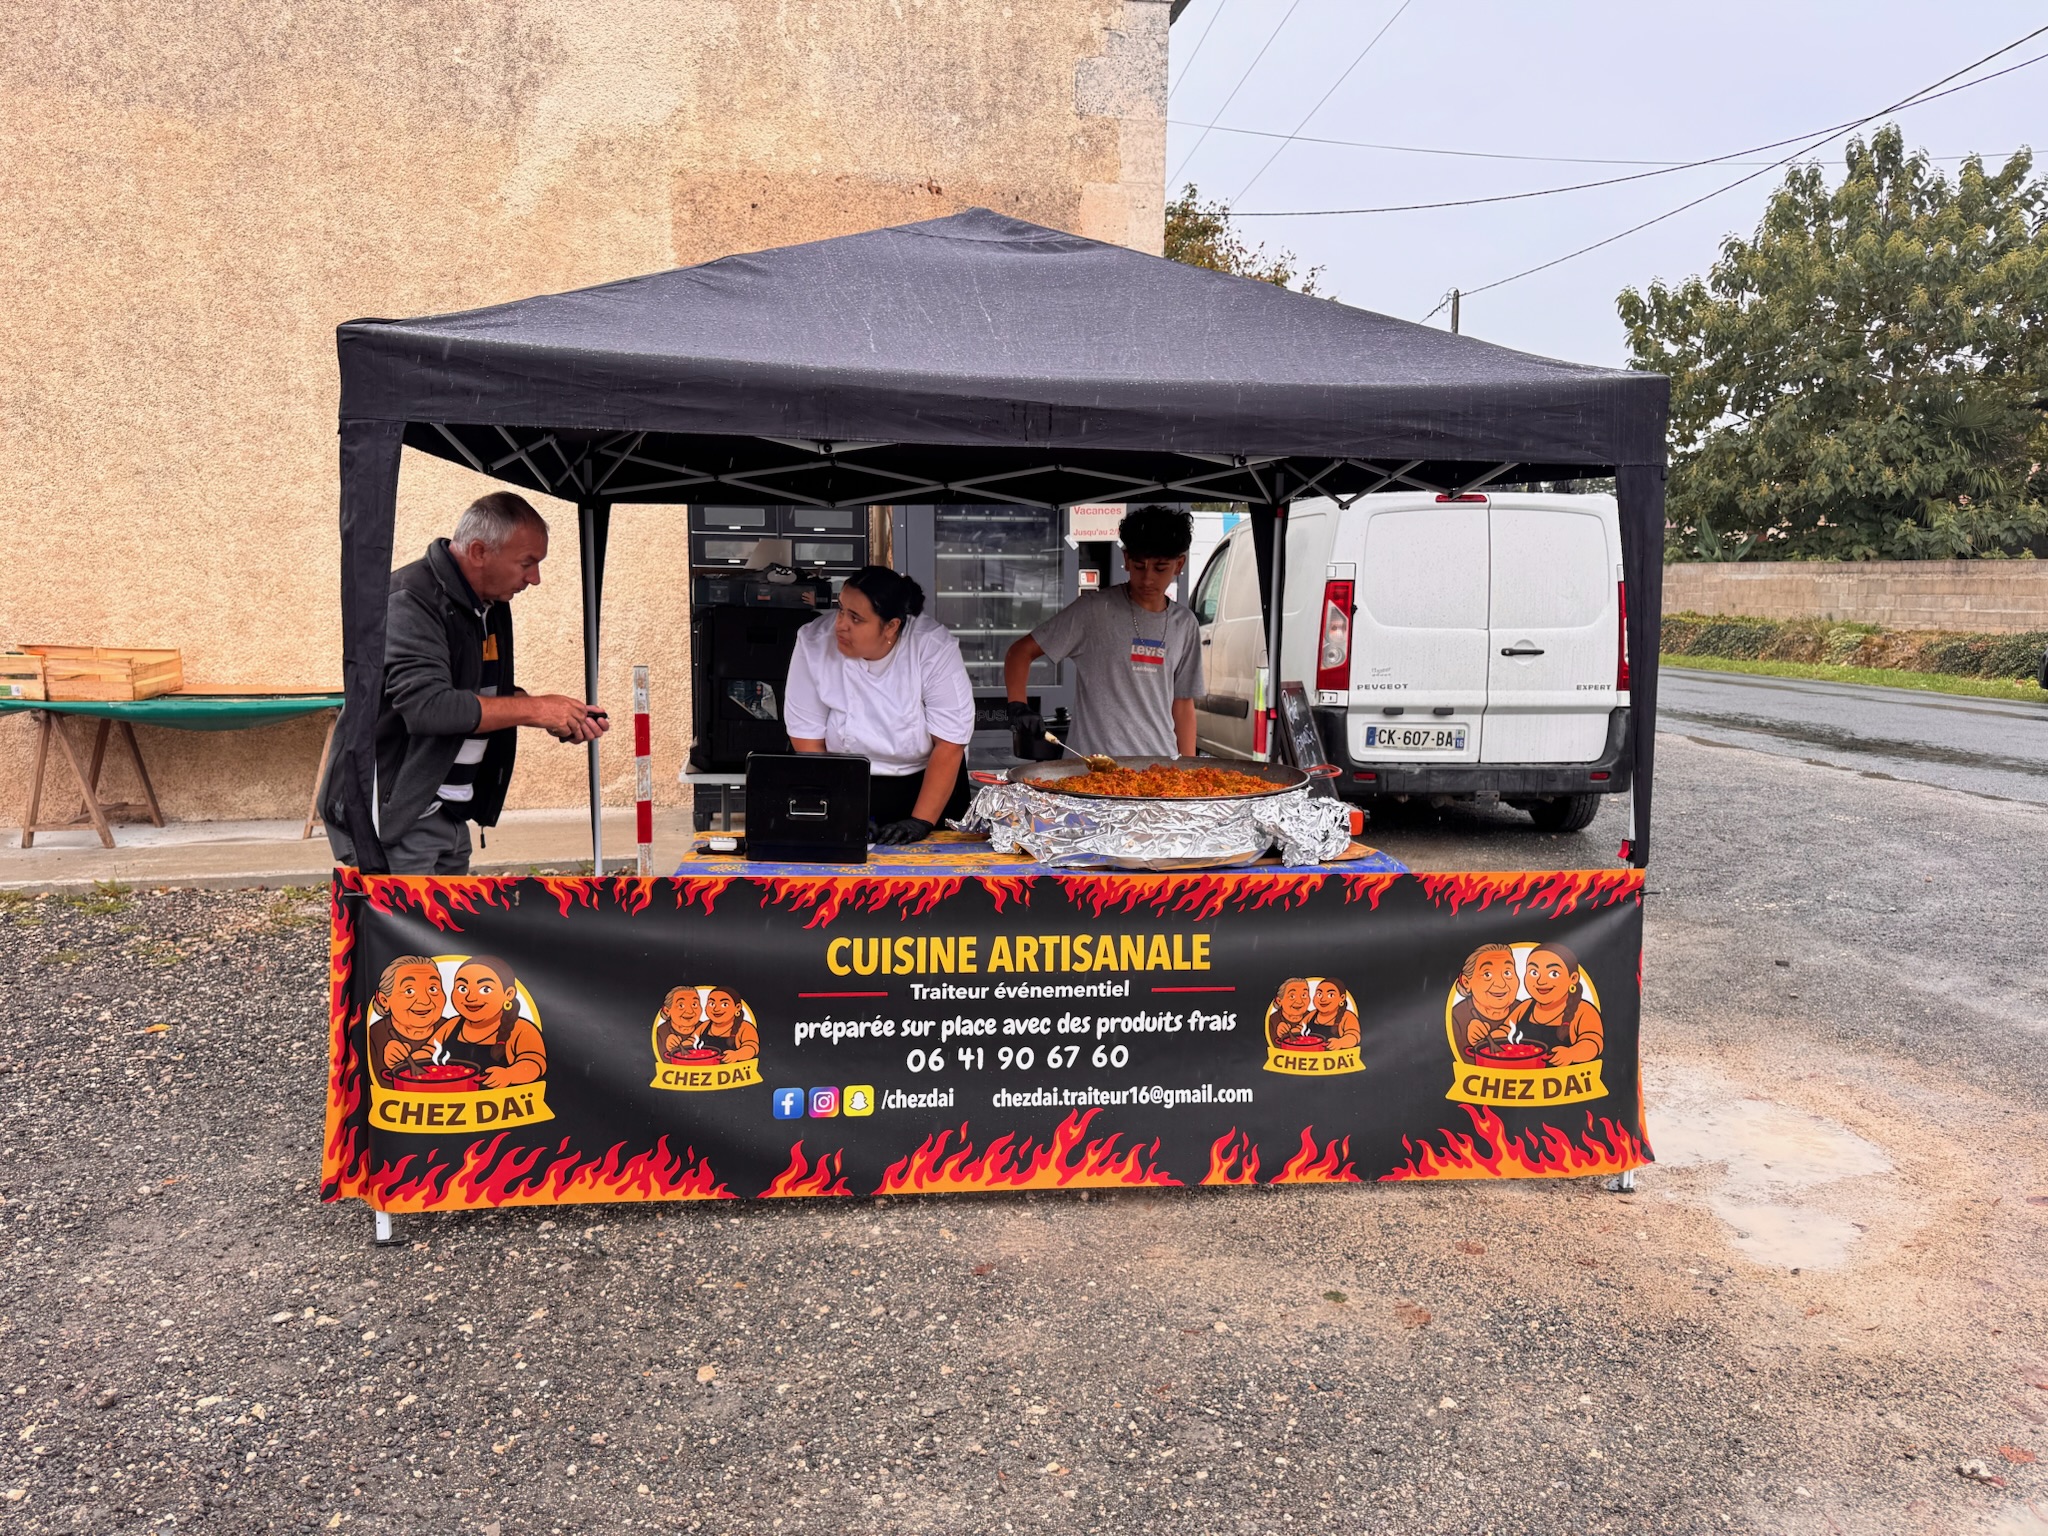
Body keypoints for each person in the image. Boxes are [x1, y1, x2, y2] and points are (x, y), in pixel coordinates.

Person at [323, 491, 608, 875]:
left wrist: (558, 716)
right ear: (478, 552)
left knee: (444, 917)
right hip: (397, 820)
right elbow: (429, 707)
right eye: (527, 563)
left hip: (447, 814)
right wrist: (536, 708)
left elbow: (477, 693)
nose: (535, 579)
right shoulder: (410, 600)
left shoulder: (487, 603)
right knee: (409, 918)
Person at [783, 566, 975, 845]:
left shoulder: (932, 646)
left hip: (928, 783)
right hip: (843, 782)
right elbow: (807, 739)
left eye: (856, 618)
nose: (840, 624)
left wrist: (921, 821)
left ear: (891, 626)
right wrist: (845, 810)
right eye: (841, 609)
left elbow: (949, 743)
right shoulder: (814, 641)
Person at [1004, 505, 1202, 759]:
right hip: (1090, 768)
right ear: (1126, 559)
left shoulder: (1184, 624)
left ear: (1179, 564)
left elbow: (1183, 704)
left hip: (1158, 769)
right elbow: (1020, 652)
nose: (1148, 578)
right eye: (1139, 566)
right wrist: (1018, 705)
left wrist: (1188, 769)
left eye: (1160, 568)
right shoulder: (1093, 610)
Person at [442, 956, 548, 1090]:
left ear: (508, 994)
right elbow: (429, 1051)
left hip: (499, 1101)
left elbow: (534, 1063)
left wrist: (509, 1075)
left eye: (485, 989)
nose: (470, 997)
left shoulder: (521, 1029)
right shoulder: (452, 1025)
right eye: (462, 988)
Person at [1508, 942, 1604, 1067]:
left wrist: (1572, 1054)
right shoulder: (1525, 1007)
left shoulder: (1583, 1010)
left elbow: (1593, 1043)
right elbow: (1505, 1030)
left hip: (1562, 1078)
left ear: (1573, 978)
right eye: (1534, 972)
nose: (1541, 981)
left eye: (1553, 973)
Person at [368, 955, 446, 1086]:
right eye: (409, 991)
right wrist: (390, 1065)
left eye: (433, 989)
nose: (425, 1000)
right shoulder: (374, 1036)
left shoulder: (454, 1029)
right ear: (384, 1000)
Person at [1452, 943, 1521, 1057]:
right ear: (1466, 982)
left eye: (1507, 973)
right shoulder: (1457, 1018)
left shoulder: (1525, 1010)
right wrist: (1472, 1043)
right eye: (1487, 974)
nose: (1501, 984)